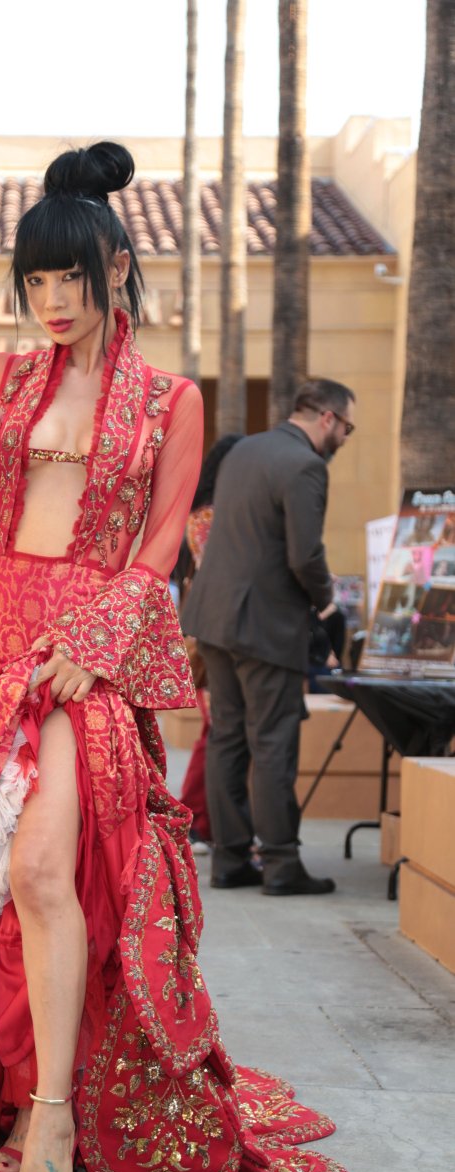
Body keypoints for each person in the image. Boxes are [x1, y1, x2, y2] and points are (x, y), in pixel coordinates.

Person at [0, 143, 347, 1172]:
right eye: (35, 281)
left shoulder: (170, 400)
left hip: (81, 643)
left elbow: (160, 544)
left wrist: (99, 638)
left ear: (115, 268)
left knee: (43, 865)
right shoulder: (2, 376)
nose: (52, 300)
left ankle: (57, 1118)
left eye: (69, 277)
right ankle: (16, 1087)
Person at [183, 379, 356, 896]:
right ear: (327, 418)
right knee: (273, 742)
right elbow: (306, 555)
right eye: (347, 427)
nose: (345, 438)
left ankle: (231, 860)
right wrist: (327, 603)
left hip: (214, 619)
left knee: (227, 739)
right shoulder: (306, 466)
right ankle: (281, 865)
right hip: (265, 625)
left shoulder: (245, 450)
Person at [176, 434, 244, 852]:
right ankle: (195, 819)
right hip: (212, 634)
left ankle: (203, 820)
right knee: (215, 731)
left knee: (216, 730)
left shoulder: (212, 513)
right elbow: (218, 572)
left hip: (212, 631)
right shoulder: (208, 517)